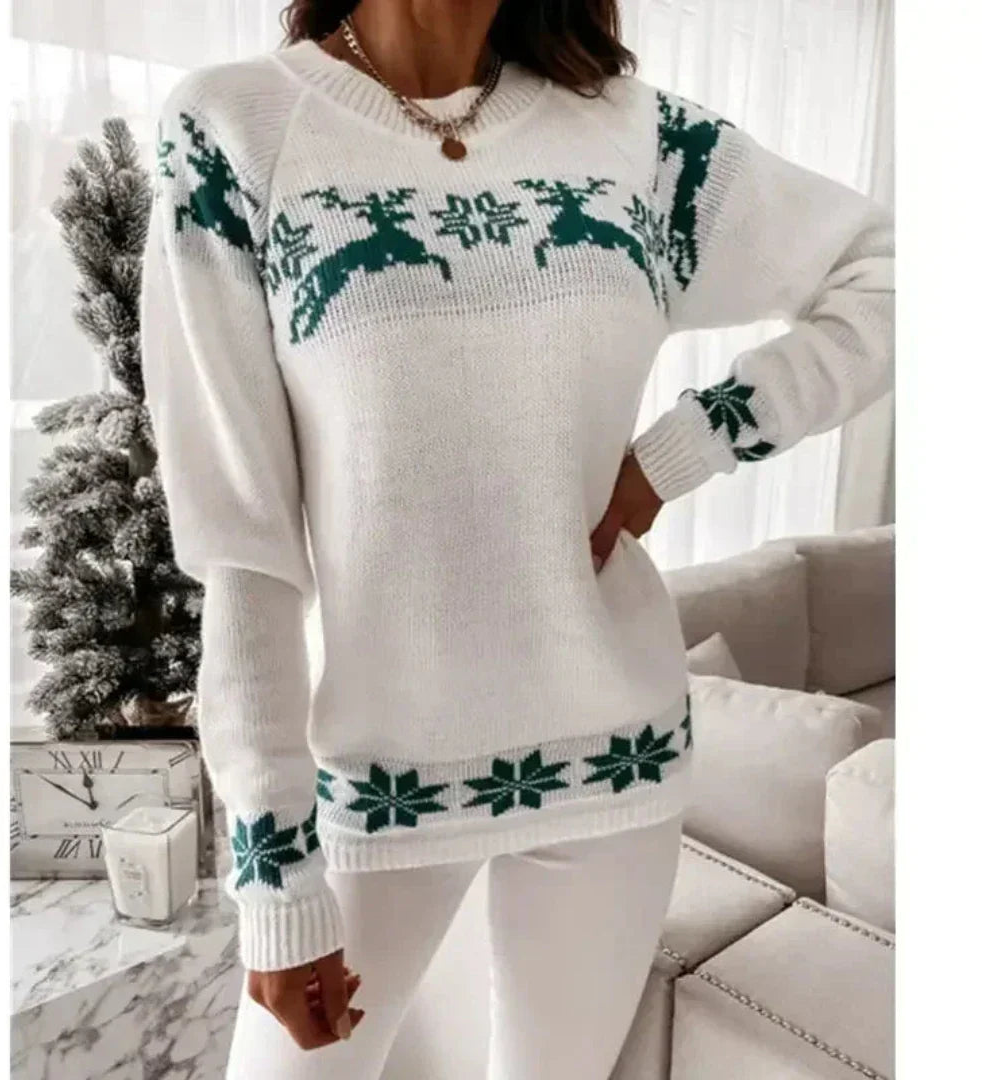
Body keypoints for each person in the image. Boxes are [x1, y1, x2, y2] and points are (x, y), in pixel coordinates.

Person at [139, 0, 894, 1076]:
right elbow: (242, 543)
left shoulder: (634, 140)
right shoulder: (235, 129)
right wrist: (274, 877)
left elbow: (890, 274)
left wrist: (685, 448)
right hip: (377, 780)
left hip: (615, 764)